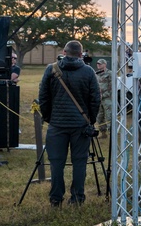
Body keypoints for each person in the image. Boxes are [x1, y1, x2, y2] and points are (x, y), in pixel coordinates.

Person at [37, 40, 100, 206]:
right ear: (81, 55)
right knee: (80, 162)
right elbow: (95, 99)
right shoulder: (88, 72)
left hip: (57, 124)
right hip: (81, 124)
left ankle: (56, 198)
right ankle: (77, 197)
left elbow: (43, 97)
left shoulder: (51, 69)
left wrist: (49, 117)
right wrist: (90, 120)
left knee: (56, 163)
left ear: (64, 52)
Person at [95, 58, 113, 134]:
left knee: (109, 116)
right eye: (97, 64)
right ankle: (103, 133)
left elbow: (112, 87)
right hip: (99, 99)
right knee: (99, 116)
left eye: (100, 64)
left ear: (104, 64)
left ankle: (111, 133)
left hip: (107, 99)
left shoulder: (110, 73)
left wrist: (104, 95)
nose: (98, 65)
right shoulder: (96, 74)